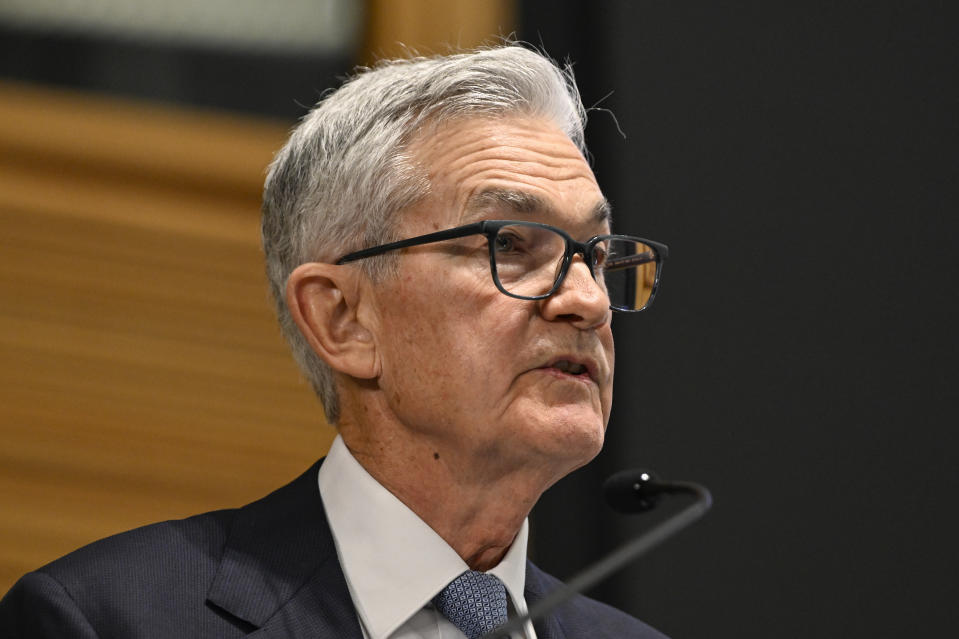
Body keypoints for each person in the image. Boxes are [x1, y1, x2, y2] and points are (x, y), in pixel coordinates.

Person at [0, 45, 669, 638]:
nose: (585, 299)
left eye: (596, 255)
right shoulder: (108, 619)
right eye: (510, 244)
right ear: (342, 319)